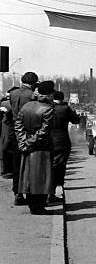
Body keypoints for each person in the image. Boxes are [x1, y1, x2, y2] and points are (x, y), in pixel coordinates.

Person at [14, 80, 55, 215]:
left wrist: (22, 142)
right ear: (49, 94)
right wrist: (30, 142)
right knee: (42, 178)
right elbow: (44, 131)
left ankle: (32, 204)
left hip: (26, 147)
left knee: (28, 177)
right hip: (41, 148)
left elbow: (18, 125)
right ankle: (39, 206)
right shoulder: (48, 109)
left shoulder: (26, 106)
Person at [9, 71, 39, 206]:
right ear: (33, 83)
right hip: (28, 131)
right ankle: (29, 193)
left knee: (16, 163)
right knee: (29, 164)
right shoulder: (32, 96)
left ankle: (17, 193)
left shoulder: (13, 94)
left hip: (15, 131)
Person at [49, 90, 80, 203]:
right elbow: (76, 120)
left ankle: (49, 192)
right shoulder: (65, 109)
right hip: (62, 141)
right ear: (63, 98)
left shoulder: (48, 107)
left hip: (49, 140)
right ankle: (57, 188)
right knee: (60, 166)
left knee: (50, 166)